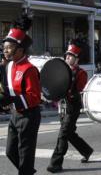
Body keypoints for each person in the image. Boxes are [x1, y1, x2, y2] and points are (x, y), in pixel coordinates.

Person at [0, 12, 41, 175]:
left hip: (29, 116)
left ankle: (26, 171)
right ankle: (28, 171)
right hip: (16, 115)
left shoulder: (29, 69)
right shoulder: (10, 66)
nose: (6, 51)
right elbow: (7, 88)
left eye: (9, 48)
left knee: (25, 155)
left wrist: (11, 99)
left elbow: (34, 97)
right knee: (10, 151)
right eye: (4, 48)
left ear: (20, 49)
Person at [47, 41, 93, 173]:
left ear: (77, 58)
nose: (67, 57)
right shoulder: (61, 69)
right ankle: (86, 151)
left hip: (72, 107)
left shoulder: (81, 73)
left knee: (63, 134)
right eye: (67, 55)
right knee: (69, 134)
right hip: (61, 106)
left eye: (71, 55)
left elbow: (78, 90)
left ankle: (55, 163)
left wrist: (67, 91)